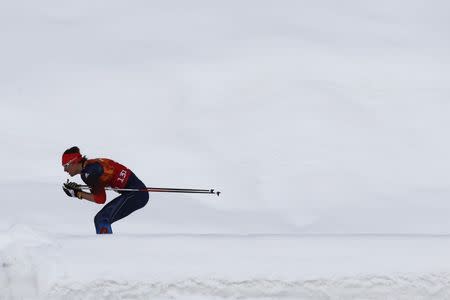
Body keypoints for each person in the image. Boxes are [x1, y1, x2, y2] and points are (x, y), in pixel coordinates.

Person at [61, 146, 149, 234]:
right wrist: (78, 192)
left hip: (137, 193)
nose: (65, 170)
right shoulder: (89, 169)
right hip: (135, 192)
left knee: (102, 219)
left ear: (74, 161)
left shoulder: (90, 172)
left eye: (66, 165)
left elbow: (100, 199)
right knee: (101, 218)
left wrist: (77, 193)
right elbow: (97, 195)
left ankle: (106, 246)